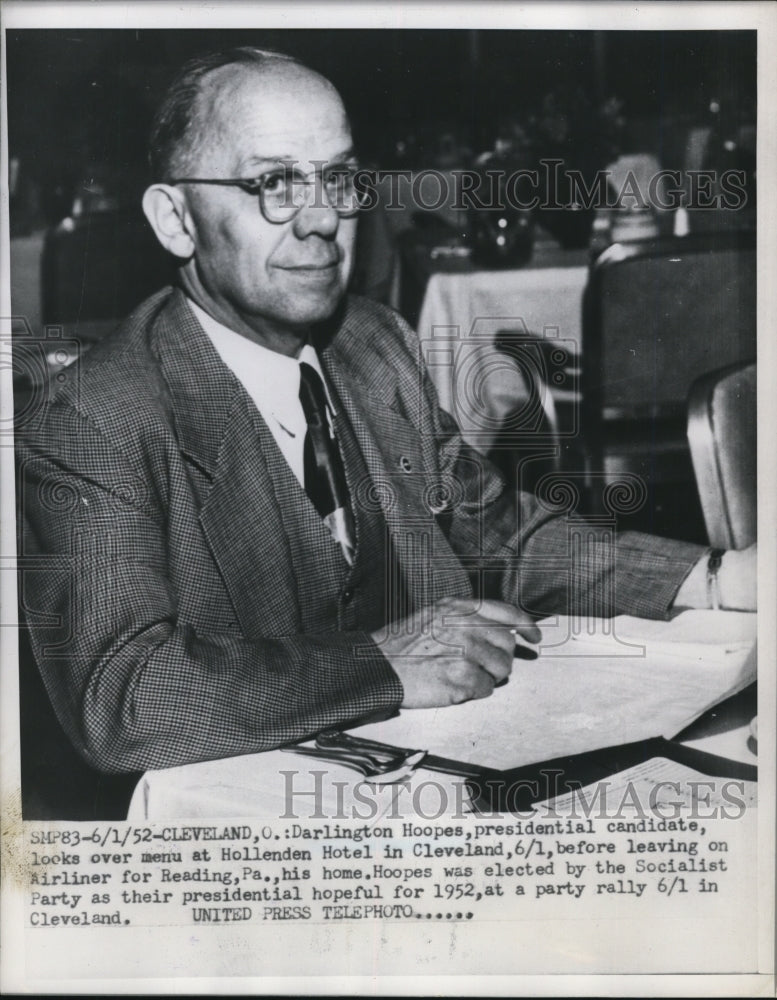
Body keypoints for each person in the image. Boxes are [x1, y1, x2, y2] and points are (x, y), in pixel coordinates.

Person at [16, 48, 756, 783]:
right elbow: (122, 698)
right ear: (175, 219)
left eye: (337, 179)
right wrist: (379, 662)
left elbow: (500, 536)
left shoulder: (374, 344)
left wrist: (712, 577)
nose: (322, 219)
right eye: (273, 182)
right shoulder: (92, 419)